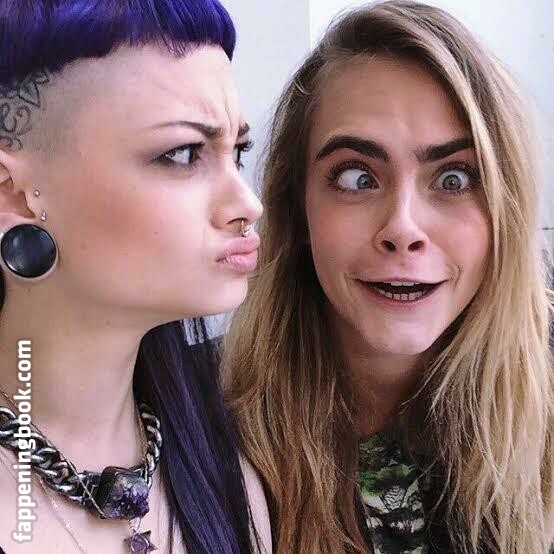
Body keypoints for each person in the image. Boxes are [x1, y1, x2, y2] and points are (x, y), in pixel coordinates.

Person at [223, 1, 553, 552]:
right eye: (357, 177)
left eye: (454, 178)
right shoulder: (197, 422)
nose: (403, 229)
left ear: (506, 207)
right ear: (297, 208)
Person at [0, 1, 271, 553]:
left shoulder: (234, 474)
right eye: (183, 154)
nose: (248, 204)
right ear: (16, 195)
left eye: (237, 153)